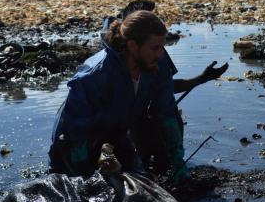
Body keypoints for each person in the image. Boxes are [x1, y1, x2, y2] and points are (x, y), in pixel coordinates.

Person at [49, 10, 227, 184]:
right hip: (74, 144)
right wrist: (84, 178)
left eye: (162, 47)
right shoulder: (96, 75)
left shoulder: (158, 63)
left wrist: (178, 164)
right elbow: (73, 133)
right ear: (133, 45)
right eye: (155, 48)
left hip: (117, 133)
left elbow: (167, 112)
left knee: (140, 179)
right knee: (85, 190)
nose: (161, 54)